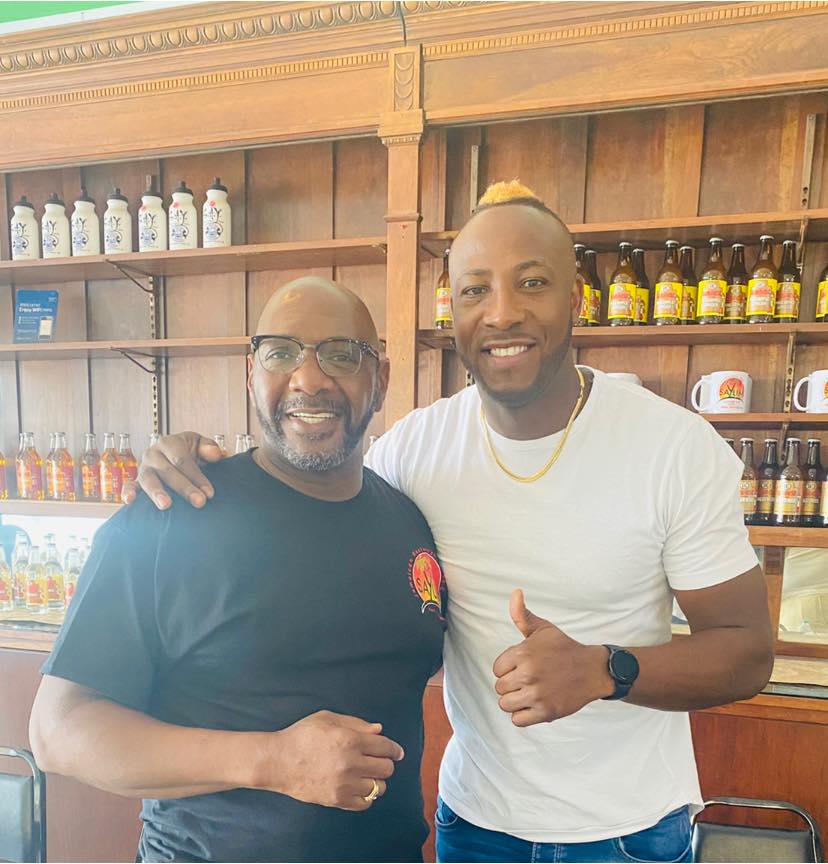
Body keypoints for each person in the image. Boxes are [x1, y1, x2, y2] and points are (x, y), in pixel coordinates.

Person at [128, 181, 774, 863]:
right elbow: (313, 486)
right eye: (474, 290)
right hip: (474, 824)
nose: (502, 312)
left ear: (577, 300)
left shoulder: (672, 447)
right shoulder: (415, 449)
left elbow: (746, 651)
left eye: (532, 283)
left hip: (626, 832)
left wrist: (605, 670)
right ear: (454, 311)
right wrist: (184, 459)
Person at [29, 278, 446, 863]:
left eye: (341, 354)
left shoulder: (409, 522)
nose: (309, 379)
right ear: (251, 374)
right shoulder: (172, 515)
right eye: (281, 353)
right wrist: (272, 760)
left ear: (380, 379)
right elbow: (58, 730)